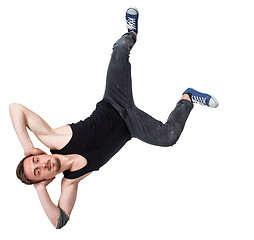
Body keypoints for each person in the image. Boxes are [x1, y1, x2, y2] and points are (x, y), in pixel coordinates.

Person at [9, 7, 218, 229]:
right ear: (43, 179)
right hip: (131, 127)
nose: (42, 164)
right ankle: (188, 98)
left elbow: (15, 109)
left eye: (36, 161)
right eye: (38, 172)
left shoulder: (52, 139)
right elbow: (59, 221)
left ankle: (132, 33)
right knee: (168, 137)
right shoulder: (71, 181)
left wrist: (27, 148)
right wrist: (40, 190)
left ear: (38, 154)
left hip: (114, 100)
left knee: (120, 50)